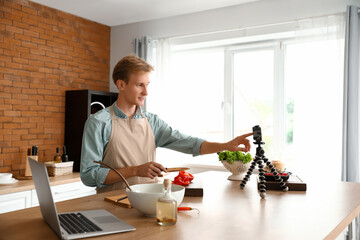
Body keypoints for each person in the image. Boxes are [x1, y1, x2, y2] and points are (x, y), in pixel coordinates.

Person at [80, 55, 253, 193]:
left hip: (149, 201)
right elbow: (88, 176)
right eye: (140, 85)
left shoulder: (152, 121)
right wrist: (135, 171)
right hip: (113, 204)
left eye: (147, 85)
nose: (146, 92)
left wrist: (225, 145)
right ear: (121, 84)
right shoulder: (98, 123)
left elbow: (190, 143)